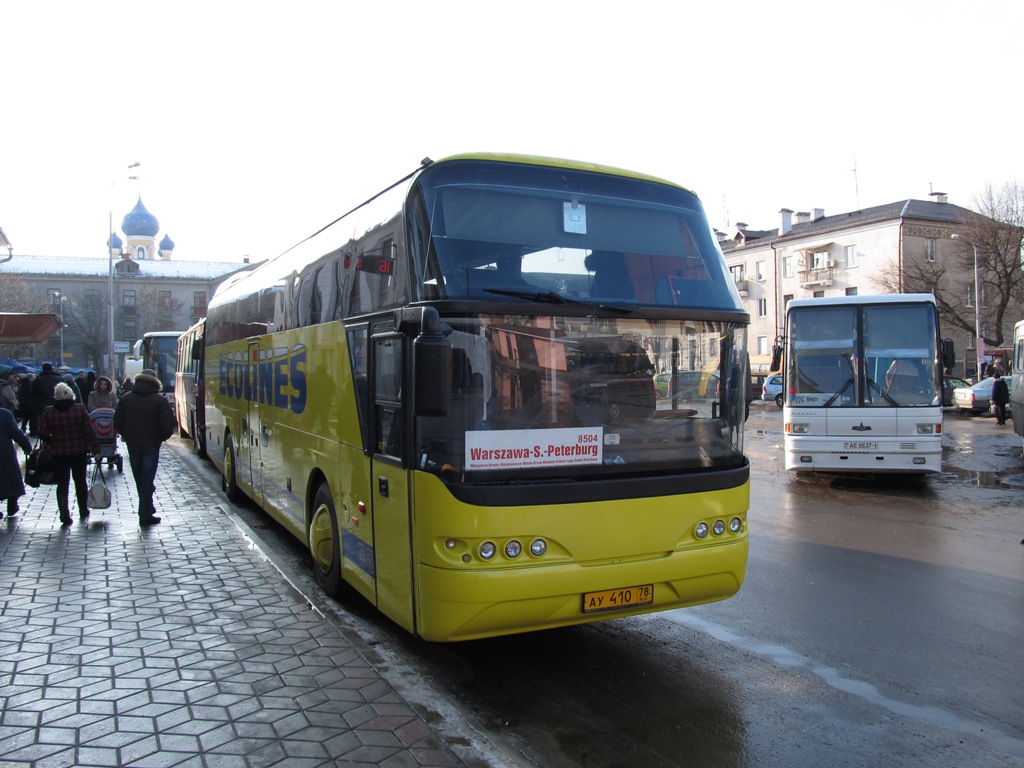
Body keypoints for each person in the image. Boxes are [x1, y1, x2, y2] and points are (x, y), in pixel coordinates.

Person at [113, 368, 176, 526]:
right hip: (151, 444)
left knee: (139, 477)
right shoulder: (159, 401)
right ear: (155, 383)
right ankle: (144, 514)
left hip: (133, 444)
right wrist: (160, 438)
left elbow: (117, 422)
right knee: (147, 477)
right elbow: (168, 424)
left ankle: (147, 509)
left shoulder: (126, 399)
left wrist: (126, 435)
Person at [37, 382, 99, 526]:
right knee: (80, 481)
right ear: (72, 395)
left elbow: (42, 432)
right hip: (79, 451)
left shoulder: (49, 411)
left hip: (59, 453)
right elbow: (89, 431)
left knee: (63, 483)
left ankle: (64, 512)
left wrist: (51, 441)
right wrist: (96, 450)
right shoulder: (79, 410)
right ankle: (83, 509)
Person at [0, 400, 32, 519]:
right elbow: (16, 433)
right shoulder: (5, 414)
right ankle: (12, 503)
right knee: (10, 477)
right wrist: (27, 447)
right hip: (4, 452)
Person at [31, 363, 63, 435]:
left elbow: (33, 393)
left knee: (44, 421)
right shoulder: (60, 379)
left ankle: (45, 436)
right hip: (57, 403)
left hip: (42, 404)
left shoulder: (38, 380)